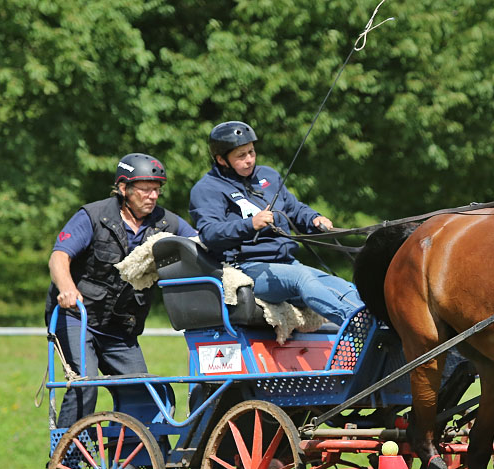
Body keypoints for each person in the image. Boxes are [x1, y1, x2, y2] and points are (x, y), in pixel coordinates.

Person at [45, 153, 197, 429]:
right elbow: (59, 258)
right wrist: (67, 289)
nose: (153, 196)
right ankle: (66, 459)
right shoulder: (93, 216)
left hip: (120, 328)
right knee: (85, 384)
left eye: (157, 190)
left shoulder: (168, 224)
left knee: (147, 394)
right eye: (145, 189)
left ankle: (133, 463)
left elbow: (199, 249)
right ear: (124, 188)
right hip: (78, 318)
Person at [189, 121, 363, 325]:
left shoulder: (268, 176)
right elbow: (210, 234)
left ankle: (376, 323)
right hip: (246, 267)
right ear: (221, 159)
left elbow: (294, 208)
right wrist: (250, 224)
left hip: (287, 264)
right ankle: (355, 323)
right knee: (301, 278)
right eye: (241, 156)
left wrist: (314, 218)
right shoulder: (207, 189)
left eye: (251, 152)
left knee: (345, 287)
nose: (249, 160)